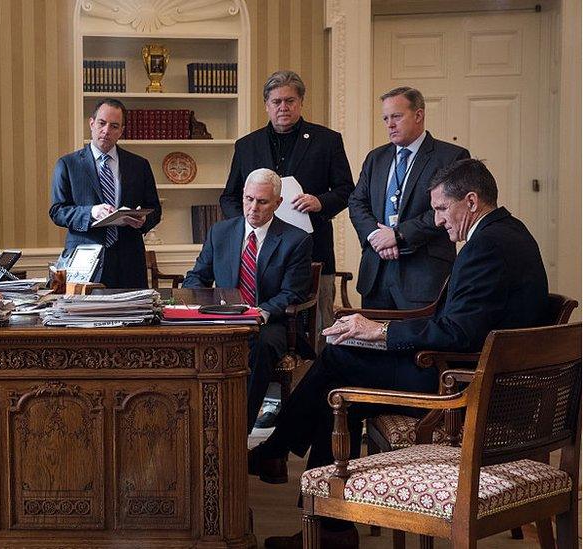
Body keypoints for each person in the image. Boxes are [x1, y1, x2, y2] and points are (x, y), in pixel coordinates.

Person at [252, 159, 549, 549]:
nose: (439, 221)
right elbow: (456, 322)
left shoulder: (488, 245)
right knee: (341, 377)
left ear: (472, 201)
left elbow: (458, 332)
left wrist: (380, 330)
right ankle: (329, 524)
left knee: (339, 364)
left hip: (466, 386)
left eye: (442, 209)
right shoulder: (507, 232)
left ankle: (285, 462)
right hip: (472, 368)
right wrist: (372, 332)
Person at [220, 70, 354, 352]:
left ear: (301, 102)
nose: (284, 107)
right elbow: (229, 197)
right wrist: (246, 223)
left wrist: (320, 202)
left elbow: (346, 190)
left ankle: (318, 387)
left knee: (319, 327)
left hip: (313, 249)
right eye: (277, 101)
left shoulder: (327, 140)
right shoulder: (247, 145)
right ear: (266, 105)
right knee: (264, 327)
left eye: (290, 101)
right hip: (256, 255)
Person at [184, 168, 312, 435]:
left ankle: (235, 431)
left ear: (277, 203)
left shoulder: (295, 240)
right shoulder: (220, 232)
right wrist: (189, 303)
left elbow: (292, 294)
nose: (253, 208)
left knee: (258, 344)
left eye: (262, 202)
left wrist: (260, 313)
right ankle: (196, 428)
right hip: (222, 318)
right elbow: (198, 276)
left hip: (270, 323)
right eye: (249, 199)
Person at [348, 86, 470, 309]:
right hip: (376, 273)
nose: (390, 125)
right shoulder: (376, 158)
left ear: (418, 115)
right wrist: (376, 235)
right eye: (385, 118)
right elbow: (357, 202)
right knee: (370, 342)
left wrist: (398, 235)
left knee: (417, 342)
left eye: (396, 116)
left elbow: (450, 209)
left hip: (422, 276)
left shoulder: (451, 157)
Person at [49, 98, 162, 288]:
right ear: (92, 124)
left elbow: (155, 210)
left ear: (121, 131)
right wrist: (91, 212)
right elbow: (57, 211)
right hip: (85, 261)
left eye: (114, 126)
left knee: (134, 316)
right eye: (102, 123)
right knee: (85, 316)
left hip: (129, 262)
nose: (106, 131)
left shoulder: (139, 165)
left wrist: (143, 221)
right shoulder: (68, 164)